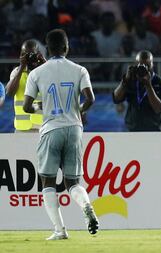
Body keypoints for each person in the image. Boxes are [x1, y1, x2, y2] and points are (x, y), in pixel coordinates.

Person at [23, 29, 99, 240]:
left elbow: (27, 107)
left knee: (48, 182)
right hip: (74, 128)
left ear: (47, 49)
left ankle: (60, 230)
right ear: (67, 47)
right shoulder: (79, 69)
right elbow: (91, 99)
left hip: (51, 128)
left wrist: (43, 107)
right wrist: (78, 111)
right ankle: (86, 206)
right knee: (73, 182)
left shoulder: (37, 73)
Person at [113, 50, 161, 131]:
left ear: (153, 64)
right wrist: (125, 80)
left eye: (147, 65)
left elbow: (158, 109)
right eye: (141, 65)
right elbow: (116, 99)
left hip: (154, 130)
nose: (144, 68)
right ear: (135, 64)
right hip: (132, 130)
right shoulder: (131, 80)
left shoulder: (160, 82)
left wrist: (148, 85)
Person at [6, 39, 45, 132]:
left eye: (32, 54)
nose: (29, 58)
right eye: (26, 54)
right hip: (22, 129)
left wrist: (44, 63)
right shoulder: (16, 72)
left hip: (42, 128)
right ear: (21, 56)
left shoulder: (45, 71)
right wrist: (21, 68)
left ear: (38, 54)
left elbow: (57, 87)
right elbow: (9, 93)